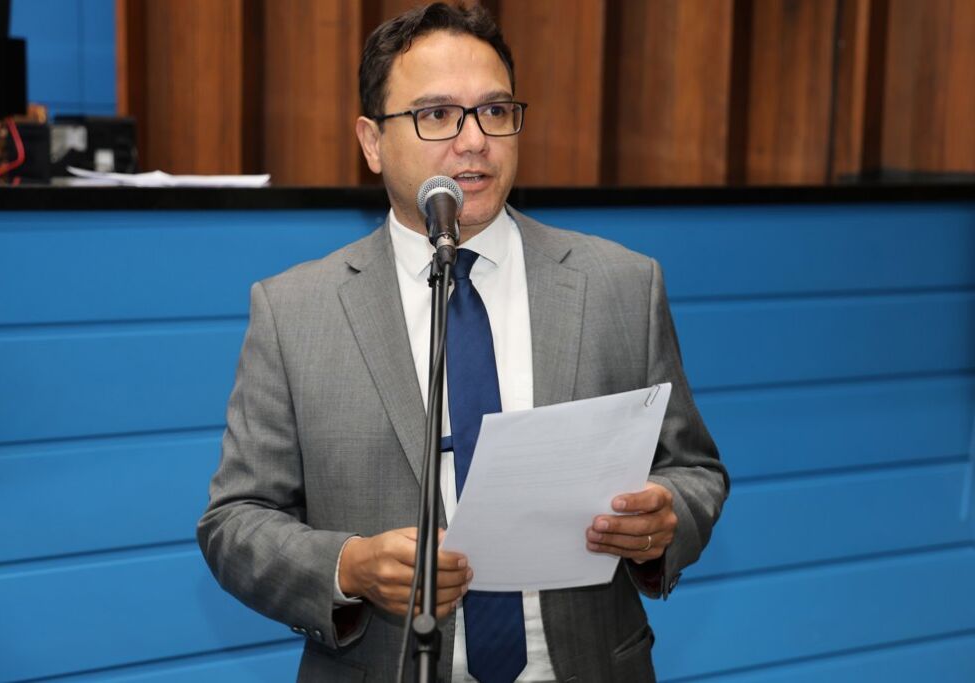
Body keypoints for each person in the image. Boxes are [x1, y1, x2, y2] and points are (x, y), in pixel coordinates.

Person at [197, 3, 728, 682]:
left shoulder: (621, 284)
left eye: (495, 111)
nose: (473, 141)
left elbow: (695, 471)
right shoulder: (294, 310)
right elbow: (235, 523)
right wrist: (348, 565)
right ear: (371, 141)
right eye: (437, 115)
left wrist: (664, 523)